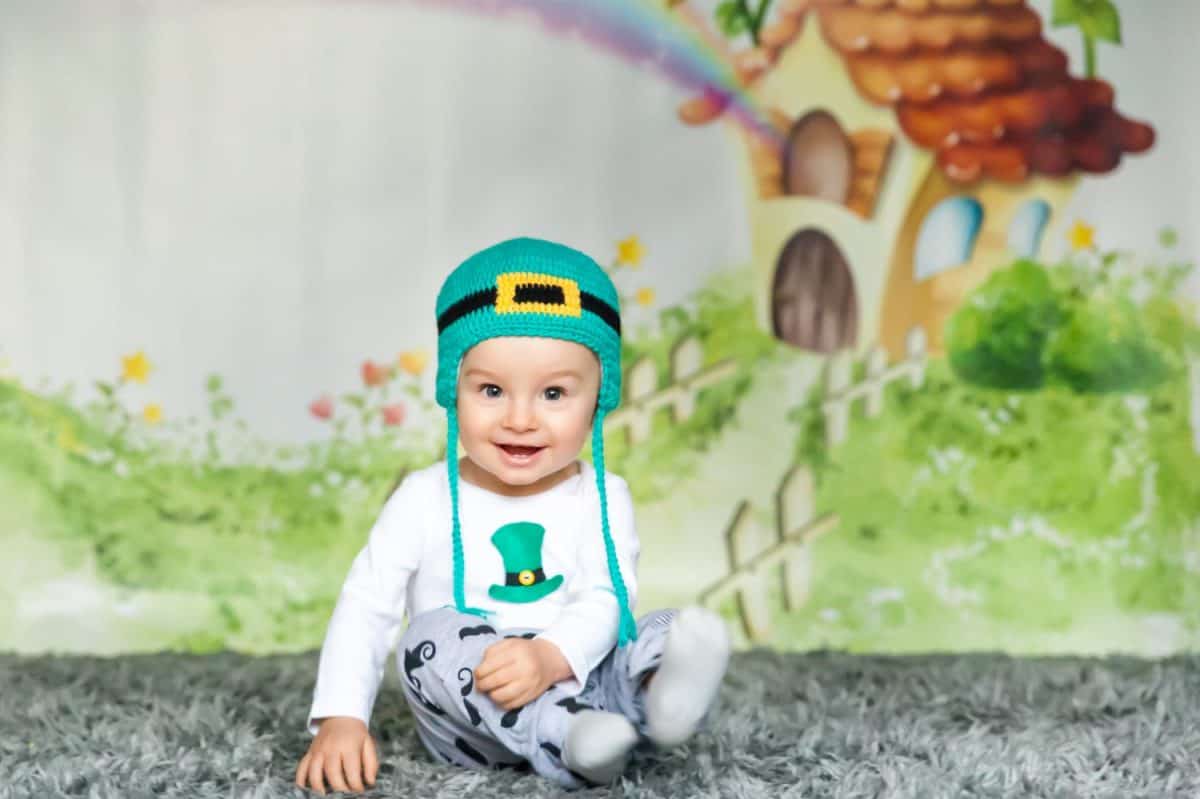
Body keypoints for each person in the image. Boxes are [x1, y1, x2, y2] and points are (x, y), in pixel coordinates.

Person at [295, 237, 731, 793]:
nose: (520, 419)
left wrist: (550, 658)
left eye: (554, 393)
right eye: (493, 390)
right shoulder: (424, 496)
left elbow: (604, 596)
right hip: (472, 710)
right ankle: (569, 739)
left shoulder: (602, 494)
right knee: (428, 638)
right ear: (454, 389)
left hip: (582, 676)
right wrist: (341, 717)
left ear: (599, 399)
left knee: (658, 628)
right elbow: (368, 604)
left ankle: (658, 702)